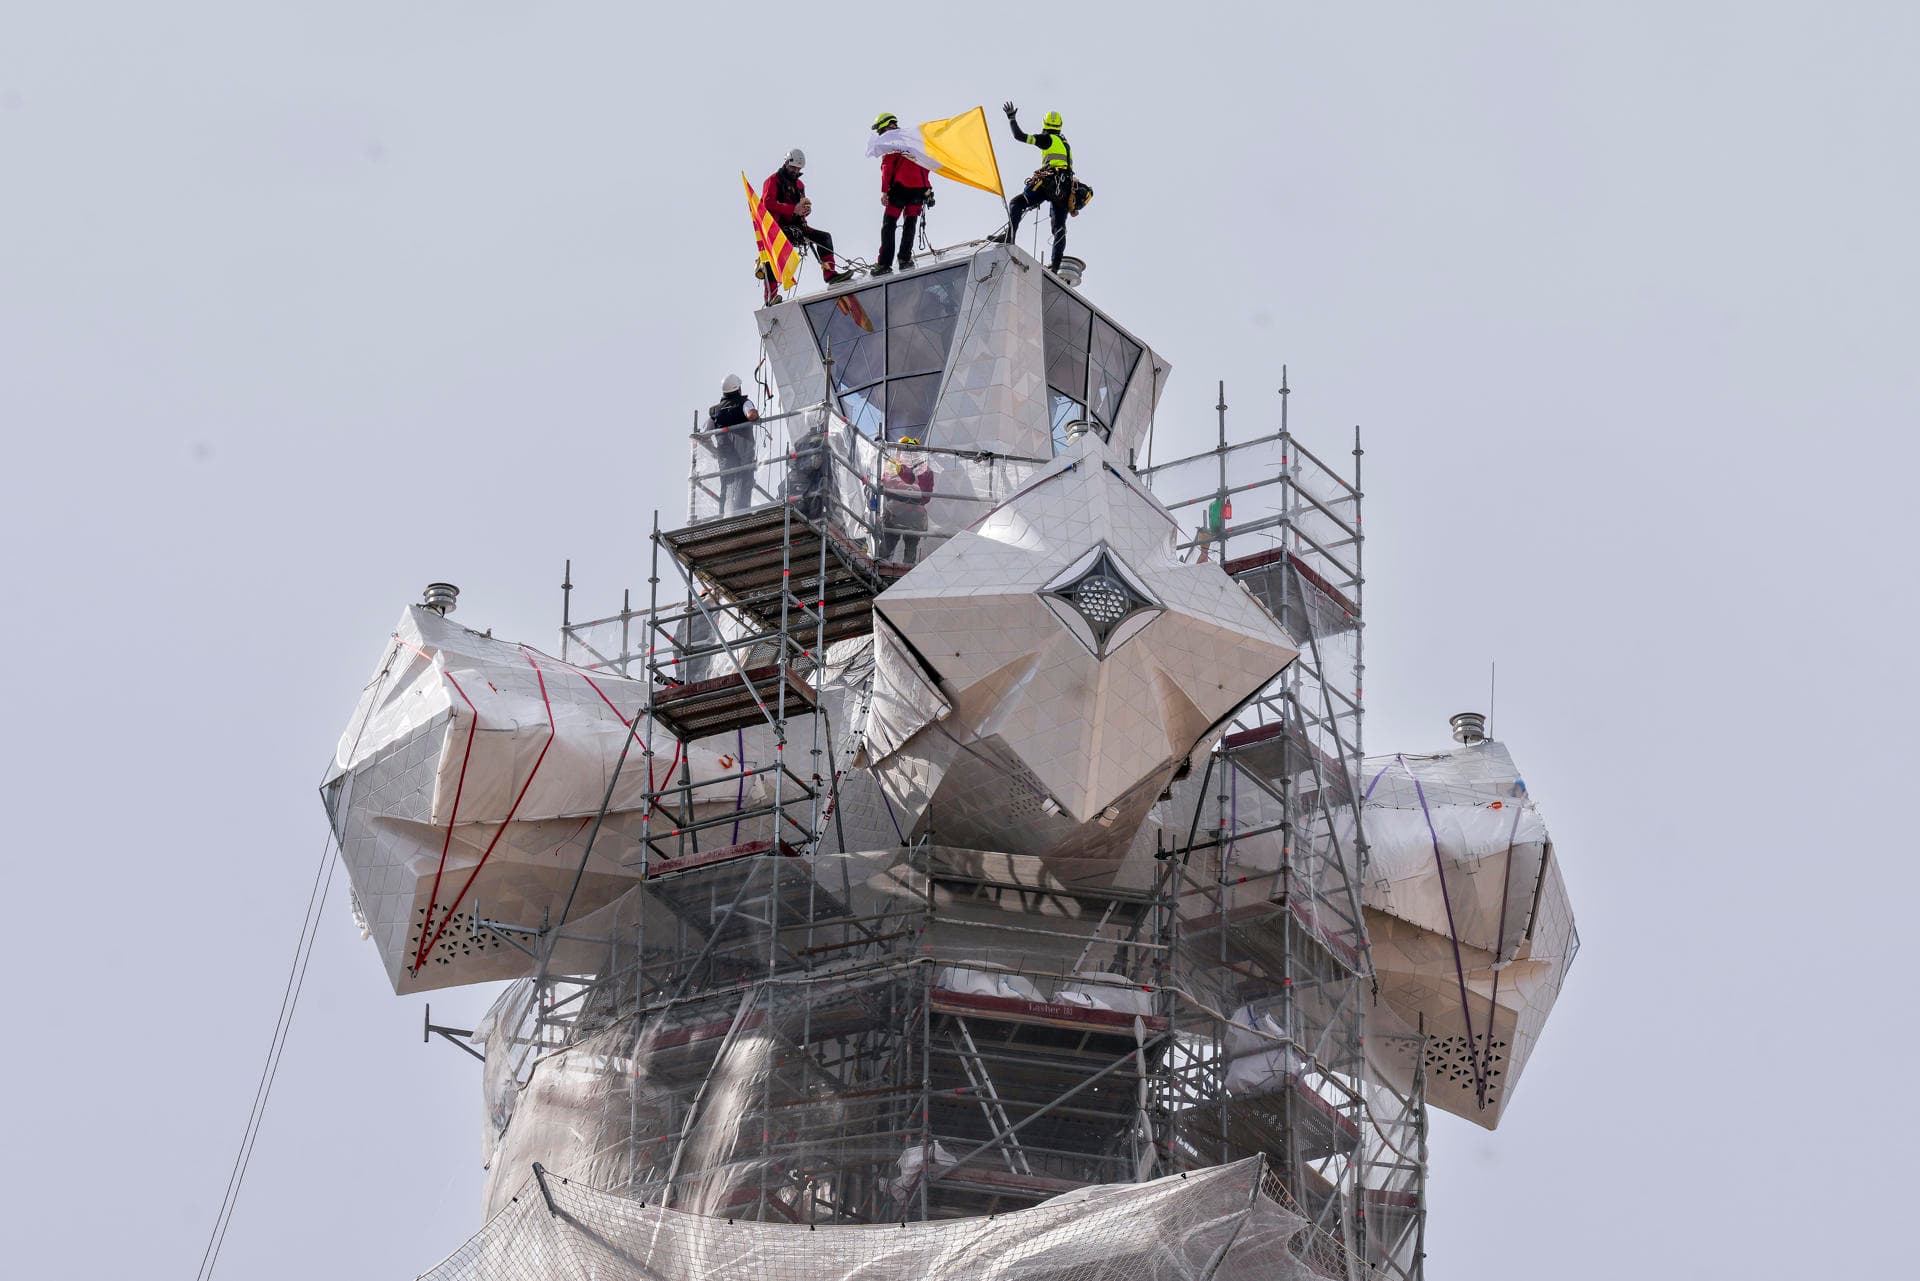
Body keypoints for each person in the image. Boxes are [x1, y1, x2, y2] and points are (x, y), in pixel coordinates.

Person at [992, 103, 1077, 272]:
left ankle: (1009, 236)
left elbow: (1019, 136)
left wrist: (1011, 118)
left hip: (1050, 183)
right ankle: (1055, 268)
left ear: (1045, 124)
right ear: (1060, 126)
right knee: (1059, 228)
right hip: (1065, 189)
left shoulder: (1047, 139)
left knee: (1016, 203)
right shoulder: (1065, 143)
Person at [761, 149, 851, 306]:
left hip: (796, 226)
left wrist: (805, 211)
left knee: (824, 238)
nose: (795, 171)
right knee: (772, 257)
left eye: (798, 169)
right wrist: (792, 209)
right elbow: (767, 204)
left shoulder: (799, 185)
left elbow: (800, 207)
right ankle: (771, 296)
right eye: (793, 168)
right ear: (786, 163)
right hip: (777, 228)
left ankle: (830, 274)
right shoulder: (772, 181)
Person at [870, 113, 933, 277]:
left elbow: (887, 168)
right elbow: (925, 166)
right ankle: (905, 259)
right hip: (918, 190)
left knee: (889, 225)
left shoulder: (890, 141)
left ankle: (884, 263)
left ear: (884, 127)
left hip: (900, 190)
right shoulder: (912, 141)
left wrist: (884, 191)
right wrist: (928, 190)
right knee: (910, 224)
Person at [705, 374, 759, 515]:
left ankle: (723, 516)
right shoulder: (744, 403)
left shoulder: (715, 411)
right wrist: (755, 415)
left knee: (726, 486)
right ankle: (741, 515)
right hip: (744, 454)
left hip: (725, 457)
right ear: (738, 388)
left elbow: (704, 435)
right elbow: (751, 415)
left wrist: (715, 451)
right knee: (744, 483)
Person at [877, 437, 936, 564]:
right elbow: (926, 497)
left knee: (888, 544)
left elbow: (887, 484)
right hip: (915, 515)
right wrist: (913, 493)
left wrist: (903, 490)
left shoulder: (893, 464)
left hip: (895, 512)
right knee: (910, 548)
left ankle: (880, 565)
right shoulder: (925, 469)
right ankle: (907, 570)